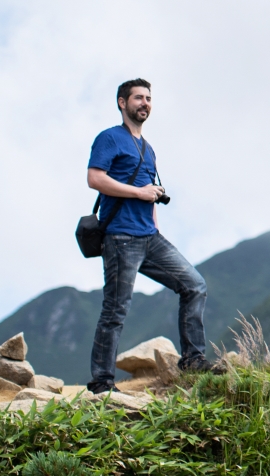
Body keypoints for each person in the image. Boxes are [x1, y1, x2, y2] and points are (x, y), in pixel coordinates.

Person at [86, 78, 209, 392]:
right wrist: (138, 193)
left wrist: (151, 210)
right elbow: (95, 178)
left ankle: (193, 360)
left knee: (194, 285)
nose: (144, 103)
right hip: (121, 238)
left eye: (149, 99)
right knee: (115, 310)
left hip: (149, 237)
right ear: (122, 102)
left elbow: (149, 193)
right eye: (138, 98)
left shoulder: (148, 148)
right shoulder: (110, 138)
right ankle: (102, 381)